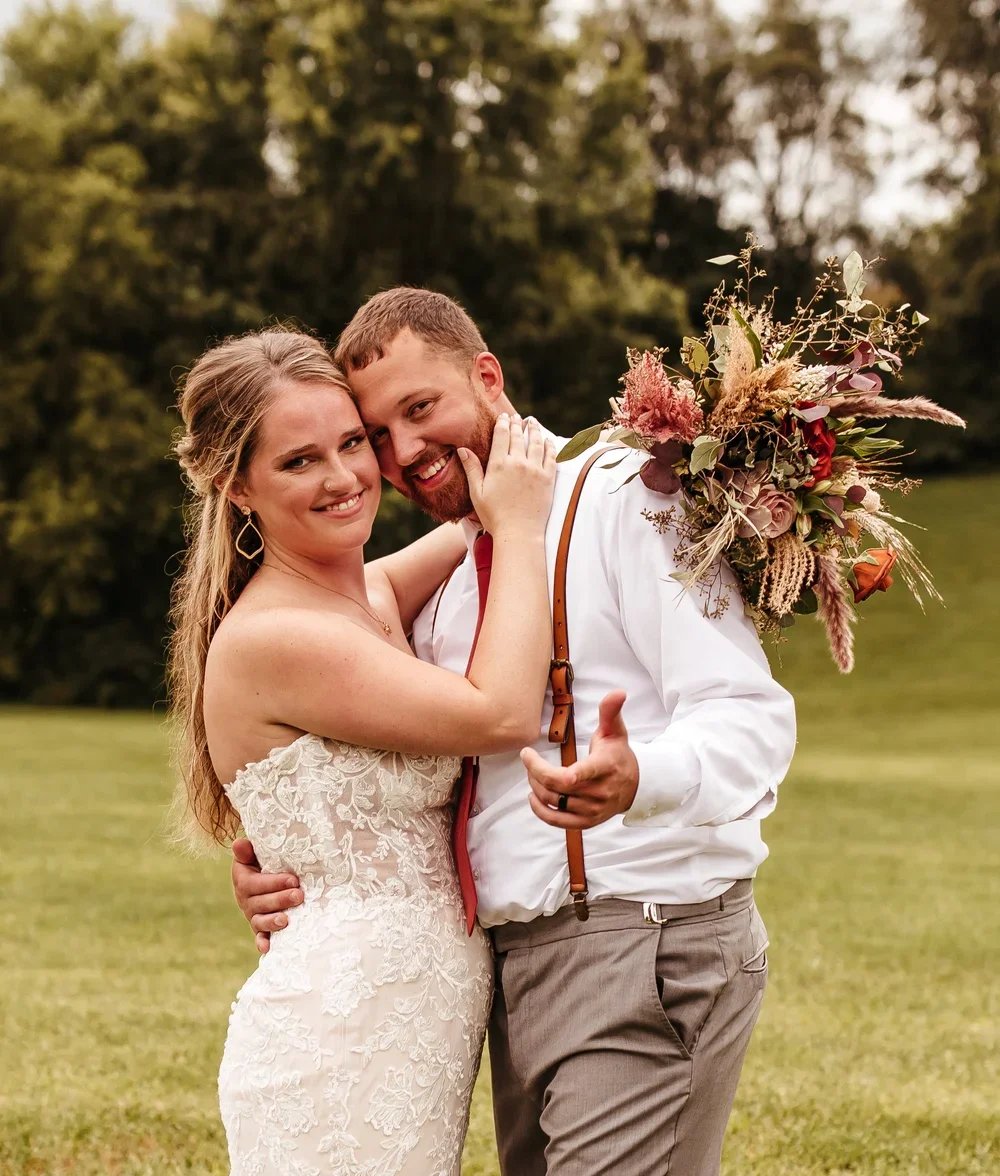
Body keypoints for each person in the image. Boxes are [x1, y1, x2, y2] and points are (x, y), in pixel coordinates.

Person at [233, 292, 798, 1176]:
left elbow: (750, 716)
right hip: (508, 972)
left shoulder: (623, 502)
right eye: (376, 434)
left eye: (420, 411)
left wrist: (642, 774)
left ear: (486, 377)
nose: (402, 454)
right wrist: (302, 859)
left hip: (642, 938)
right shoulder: (451, 579)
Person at [167, 327, 561, 1175]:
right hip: (339, 1038)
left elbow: (477, 509)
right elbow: (497, 712)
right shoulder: (281, 637)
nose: (345, 477)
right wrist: (521, 533)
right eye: (299, 461)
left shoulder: (372, 592)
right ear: (237, 486)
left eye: (353, 443)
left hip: (413, 1033)